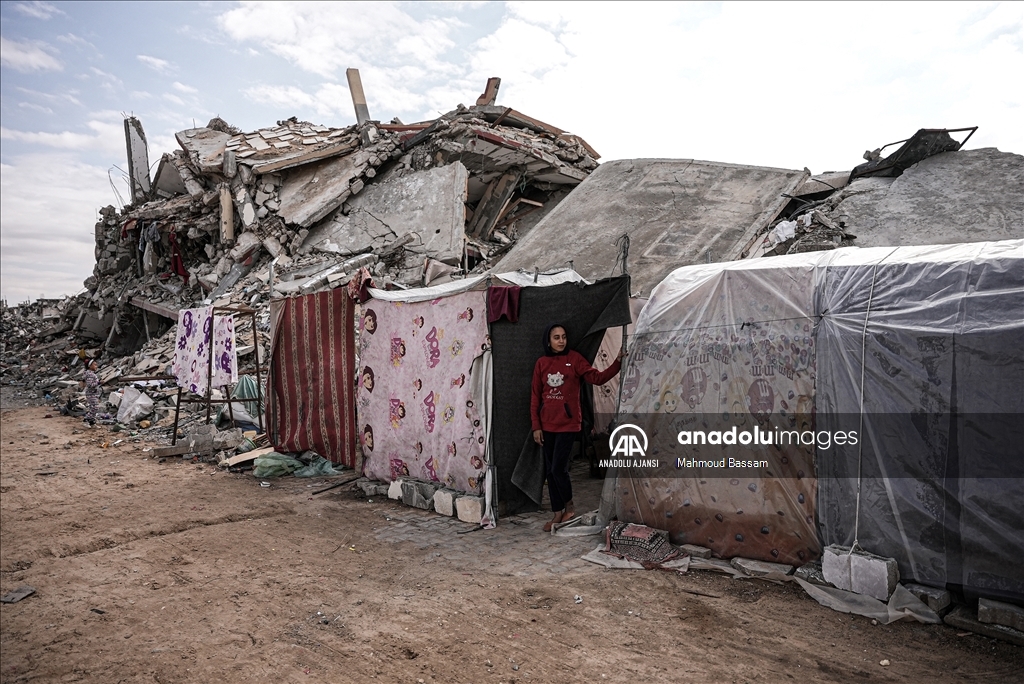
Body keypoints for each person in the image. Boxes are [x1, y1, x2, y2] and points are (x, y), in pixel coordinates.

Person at [531, 324, 624, 532]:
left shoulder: (574, 359)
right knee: (550, 471)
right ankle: (557, 513)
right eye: (556, 337)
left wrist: (618, 362)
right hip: (546, 426)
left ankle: (569, 505)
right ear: (548, 341)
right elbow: (535, 397)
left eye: (564, 336)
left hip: (568, 424)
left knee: (558, 468)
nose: (561, 341)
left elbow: (597, 378)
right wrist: (536, 426)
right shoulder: (541, 363)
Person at [83, 358, 101, 426]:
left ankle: (92, 422)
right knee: (95, 407)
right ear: (90, 366)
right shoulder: (90, 374)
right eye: (95, 365)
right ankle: (86, 419)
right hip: (91, 393)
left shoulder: (91, 373)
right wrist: (98, 383)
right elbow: (90, 385)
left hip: (94, 393)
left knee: (93, 407)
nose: (96, 366)